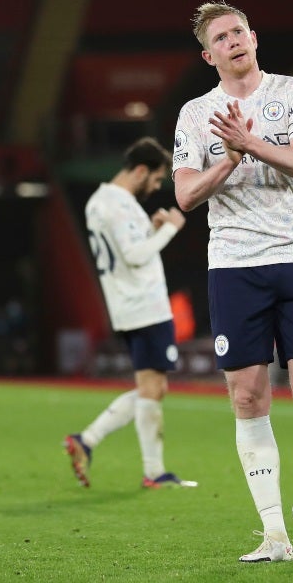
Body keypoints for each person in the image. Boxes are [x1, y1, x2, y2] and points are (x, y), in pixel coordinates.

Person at [172, 1, 293, 562]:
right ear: (209, 55)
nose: (233, 42)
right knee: (247, 396)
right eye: (220, 38)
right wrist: (225, 161)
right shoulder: (195, 114)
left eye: (238, 31)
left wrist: (249, 145)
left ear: (254, 36)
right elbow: (184, 195)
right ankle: (273, 533)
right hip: (233, 263)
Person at [63, 137, 196, 490]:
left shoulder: (100, 202)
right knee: (153, 388)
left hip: (125, 304)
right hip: (145, 305)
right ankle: (151, 471)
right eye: (154, 180)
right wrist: (170, 228)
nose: (155, 188)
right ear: (140, 170)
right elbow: (136, 257)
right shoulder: (119, 205)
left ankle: (88, 441)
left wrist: (150, 230)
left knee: (152, 387)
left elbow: (129, 249)